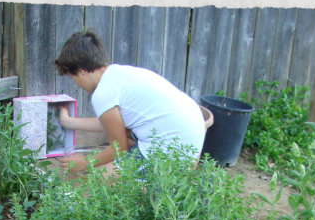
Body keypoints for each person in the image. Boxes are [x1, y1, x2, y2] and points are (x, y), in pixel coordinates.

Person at [54, 30, 206, 177]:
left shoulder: (103, 92)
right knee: (121, 136)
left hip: (172, 148)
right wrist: (68, 122)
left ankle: (151, 181)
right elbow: (110, 125)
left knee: (98, 181)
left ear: (80, 72)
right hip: (192, 138)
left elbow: (118, 148)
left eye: (72, 77)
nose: (76, 83)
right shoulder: (119, 74)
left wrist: (86, 162)